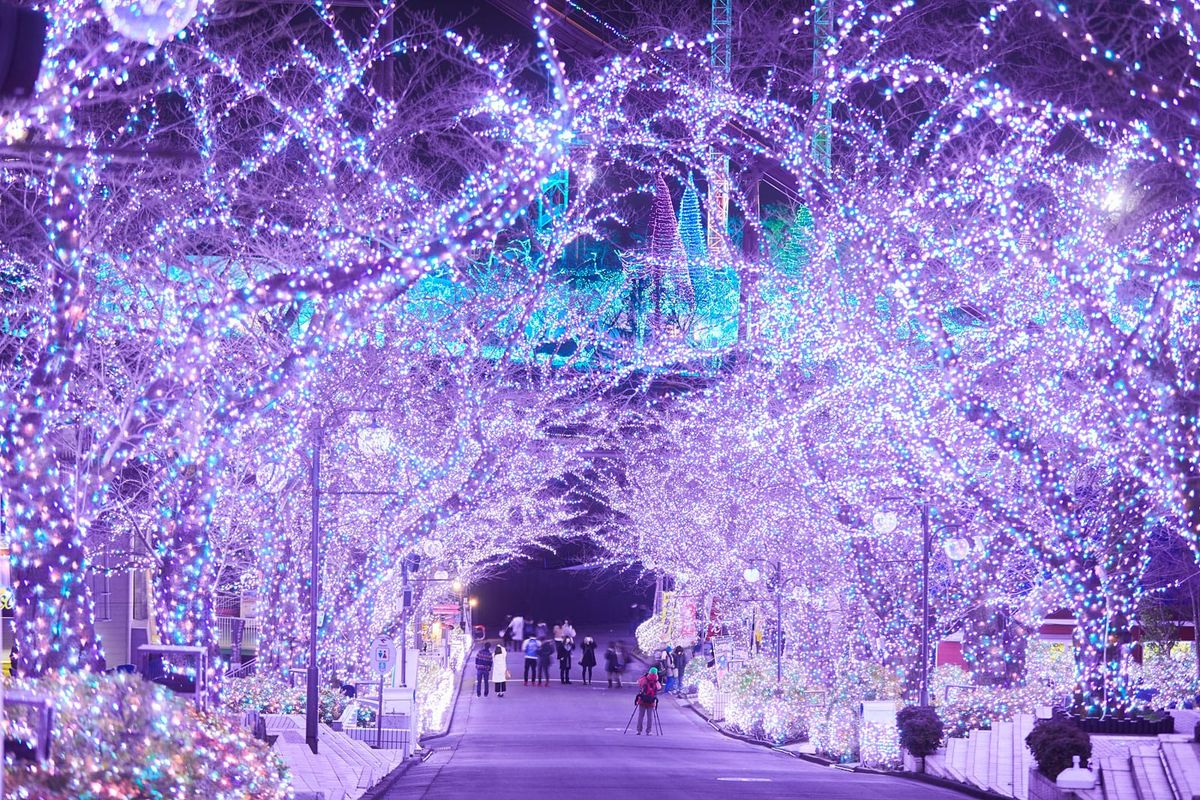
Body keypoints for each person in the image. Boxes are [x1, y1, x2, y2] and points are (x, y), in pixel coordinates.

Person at [635, 667, 662, 735]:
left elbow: (638, 682)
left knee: (641, 716)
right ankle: (649, 731)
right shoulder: (656, 680)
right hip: (651, 701)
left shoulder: (644, 679)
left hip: (642, 700)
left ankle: (639, 730)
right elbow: (659, 688)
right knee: (650, 717)